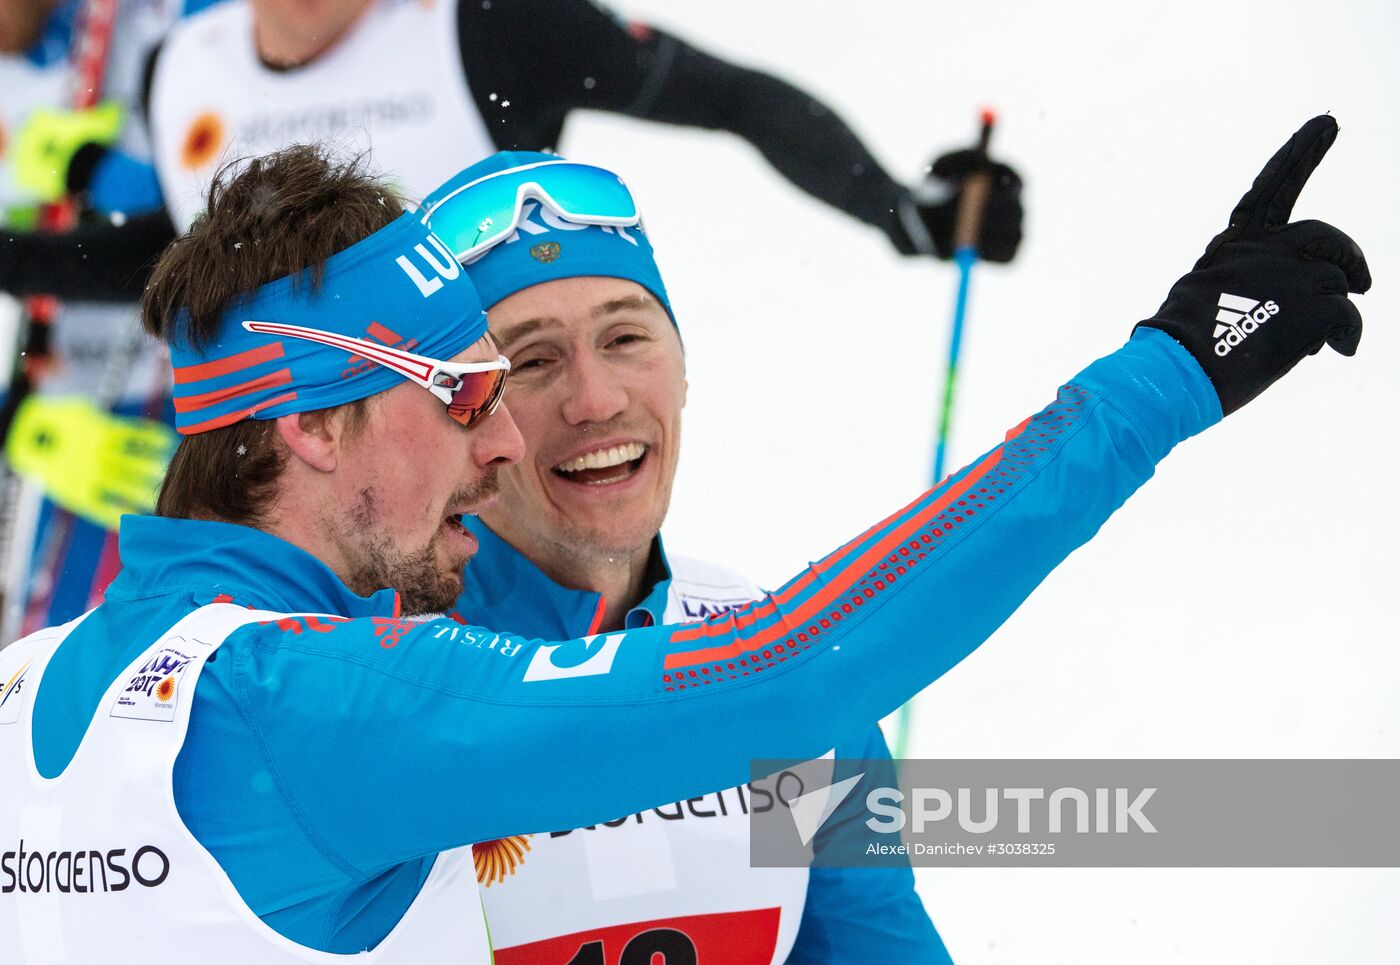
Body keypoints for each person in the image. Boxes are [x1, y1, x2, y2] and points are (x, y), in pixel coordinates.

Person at [0, 115, 1369, 962]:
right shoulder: (334, 687)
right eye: (498, 373)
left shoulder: (45, 684)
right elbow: (793, 671)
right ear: (311, 424)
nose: (567, 407)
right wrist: (1167, 376)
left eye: (629, 336)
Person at [444, 151, 949, 962]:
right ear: (459, 415)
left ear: (683, 369)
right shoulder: (370, 669)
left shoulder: (789, 660)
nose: (597, 399)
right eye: (532, 360)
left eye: (626, 337)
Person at [0, 0, 1023, 304]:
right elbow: (186, 255)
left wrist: (897, 206)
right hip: (297, 517)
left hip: (497, 474)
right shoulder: (186, 64)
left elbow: (732, 99)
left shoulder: (492, 27)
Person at [0, 0, 210, 639]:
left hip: (191, 399)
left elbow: (253, 224)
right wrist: (14, 419)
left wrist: (102, 175)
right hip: (62, 434)